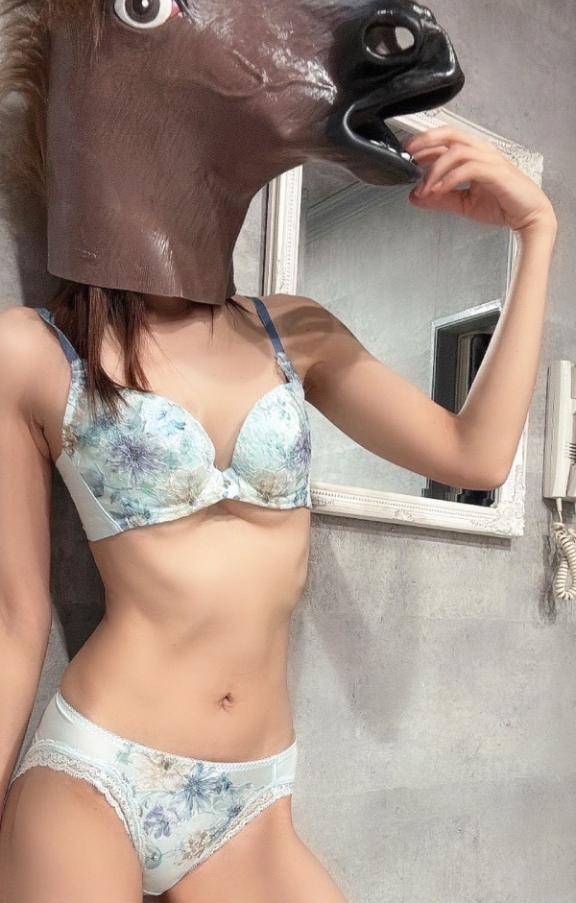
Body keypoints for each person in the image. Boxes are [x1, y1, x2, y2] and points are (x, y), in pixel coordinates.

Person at [0, 126, 558, 902]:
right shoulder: (31, 349)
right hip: (94, 777)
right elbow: (15, 621)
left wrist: (536, 232)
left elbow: (477, 455)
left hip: (252, 803)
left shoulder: (295, 330)